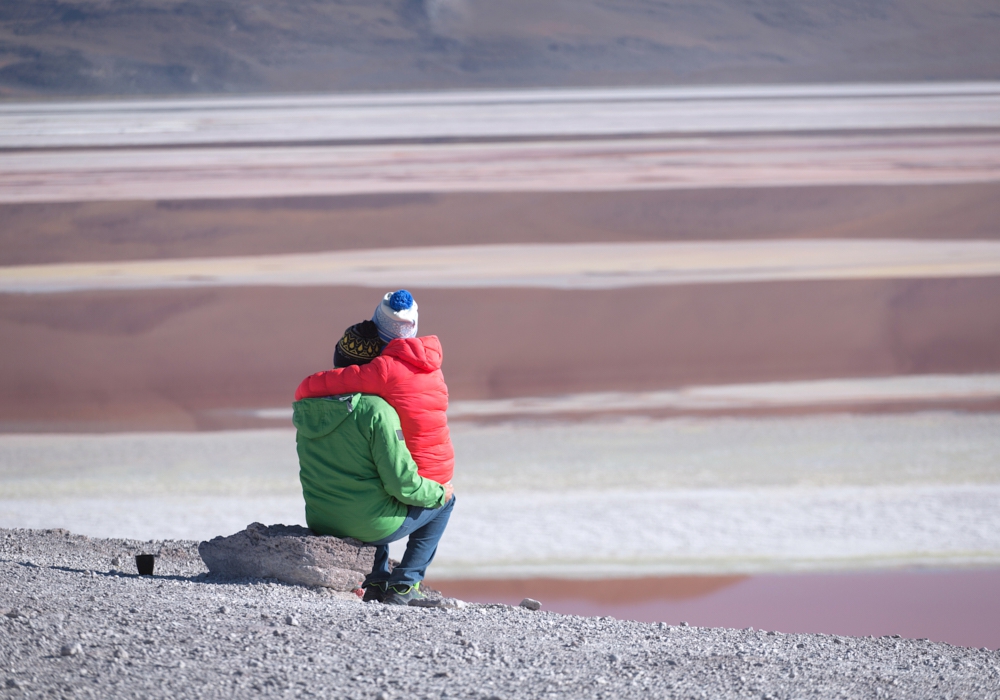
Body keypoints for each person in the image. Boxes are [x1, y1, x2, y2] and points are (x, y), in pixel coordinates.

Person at [293, 320, 455, 605]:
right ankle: (405, 585)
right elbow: (402, 485)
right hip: (366, 525)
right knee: (443, 501)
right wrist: (440, 492)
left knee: (367, 487)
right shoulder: (377, 411)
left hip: (320, 519)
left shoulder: (307, 406)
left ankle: (376, 579)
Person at [294, 290, 454, 486]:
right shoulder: (432, 367)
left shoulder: (384, 371)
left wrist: (304, 390)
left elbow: (316, 386)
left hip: (416, 477)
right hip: (442, 470)